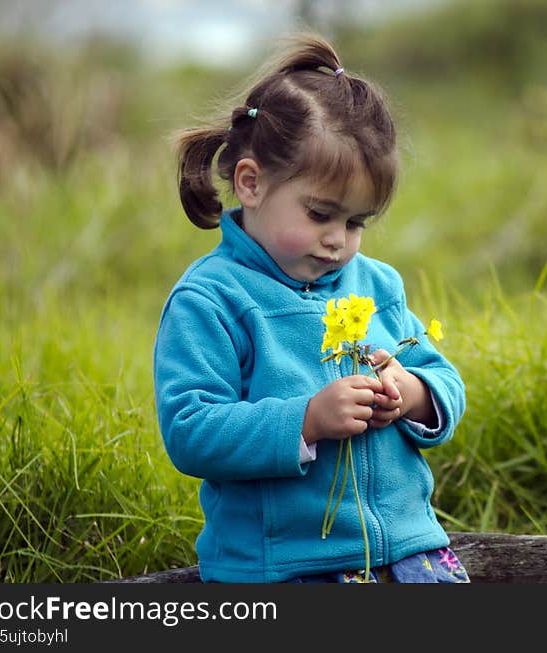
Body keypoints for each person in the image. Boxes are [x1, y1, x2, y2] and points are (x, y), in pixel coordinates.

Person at [153, 34, 469, 583]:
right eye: (320, 214)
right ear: (251, 184)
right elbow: (190, 428)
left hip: (406, 550)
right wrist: (306, 420)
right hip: (284, 566)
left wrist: (413, 394)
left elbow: (444, 378)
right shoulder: (212, 299)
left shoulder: (376, 285)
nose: (337, 242)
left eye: (355, 223)